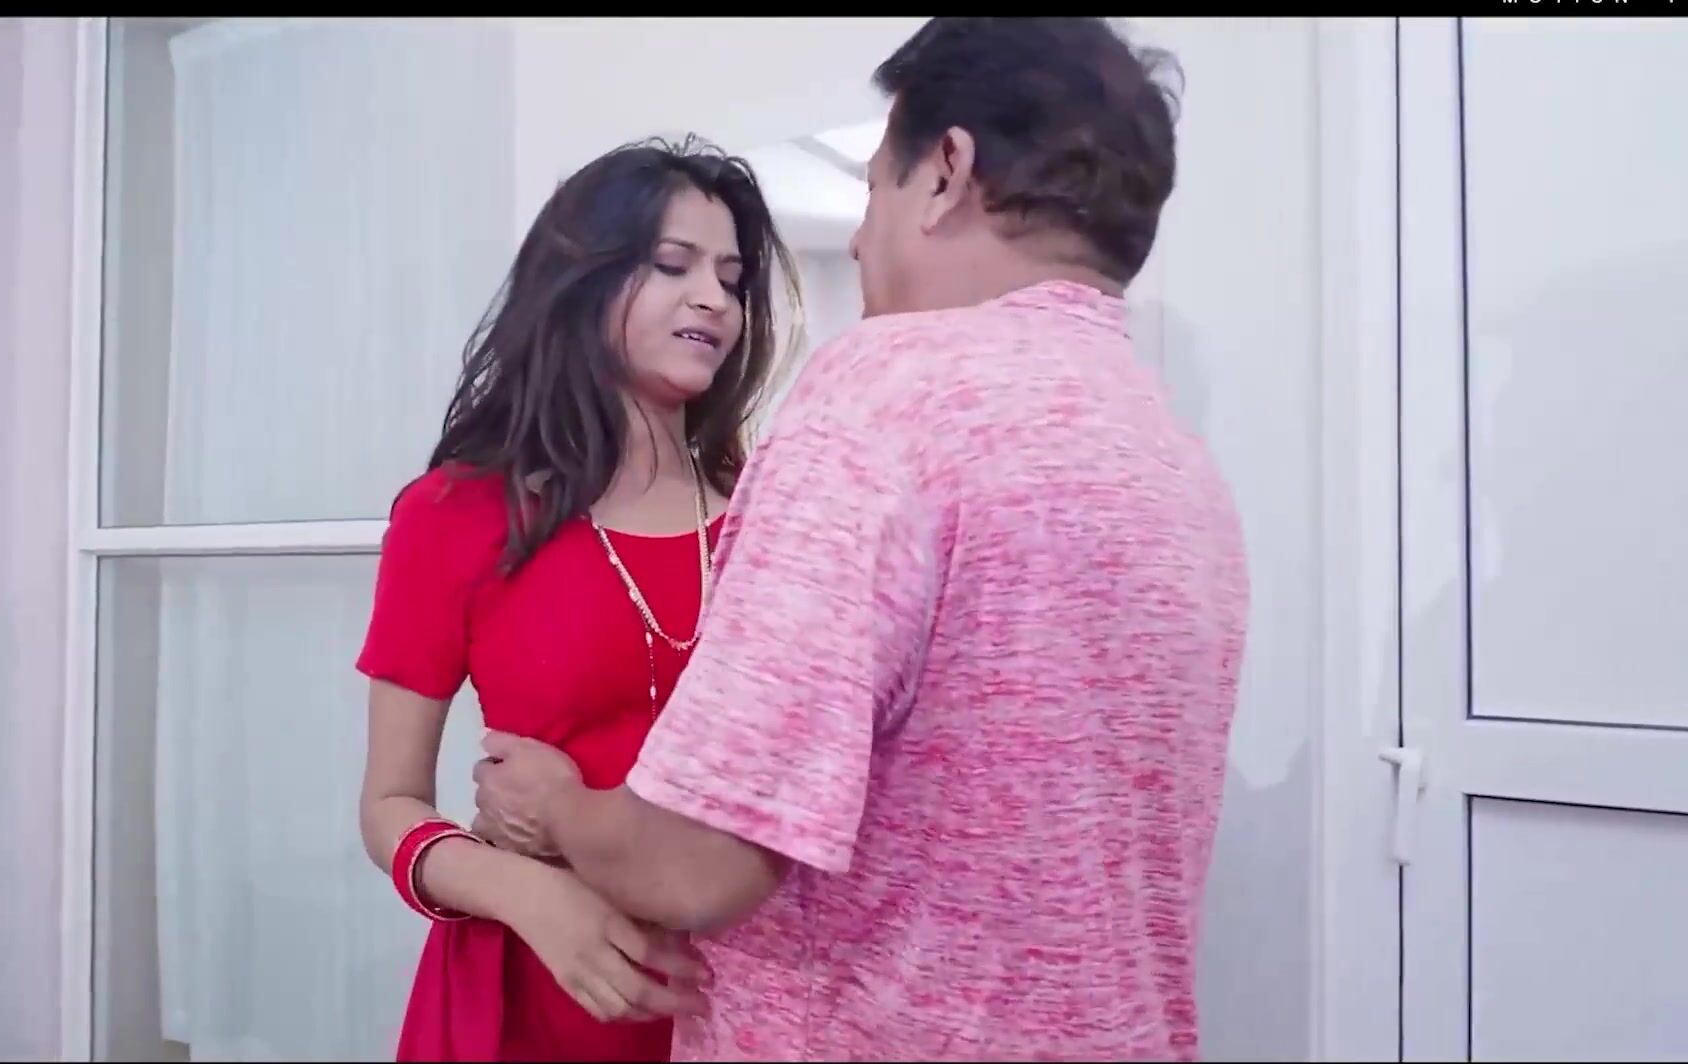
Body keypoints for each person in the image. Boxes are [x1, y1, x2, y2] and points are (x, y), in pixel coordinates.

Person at [470, 17, 1250, 1063]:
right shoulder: (1178, 464)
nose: (858, 239)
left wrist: (559, 810)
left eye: (875, 188)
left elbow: (698, 862)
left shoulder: (881, 400)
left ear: (947, 171)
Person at [354, 135, 798, 1062]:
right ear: (581, 281)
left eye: (731, 279)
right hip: (532, 989)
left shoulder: (774, 514)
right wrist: (532, 897)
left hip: (743, 991)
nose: (714, 299)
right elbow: (389, 803)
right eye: (672, 265)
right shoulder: (455, 515)